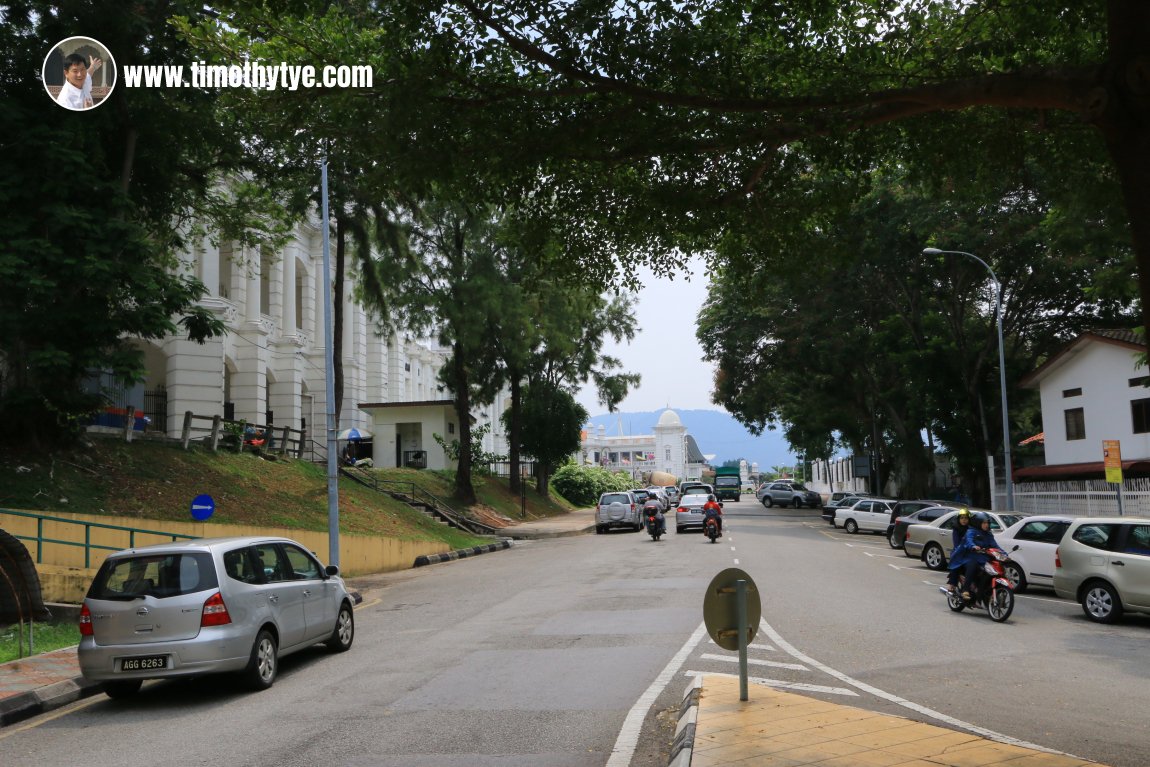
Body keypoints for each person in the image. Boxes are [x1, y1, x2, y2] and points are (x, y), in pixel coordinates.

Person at [949, 512, 1004, 600]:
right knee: (973, 565)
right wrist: (973, 546)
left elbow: (995, 546)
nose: (986, 525)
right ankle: (965, 590)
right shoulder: (971, 531)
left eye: (988, 523)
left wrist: (1004, 554)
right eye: (984, 523)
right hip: (969, 557)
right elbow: (969, 541)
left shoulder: (988, 534)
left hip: (983, 558)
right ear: (978, 523)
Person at [944, 508, 971, 593]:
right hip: (958, 551)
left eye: (966, 518)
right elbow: (956, 543)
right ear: (958, 519)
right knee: (956, 564)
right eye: (962, 518)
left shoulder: (971, 529)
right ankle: (952, 583)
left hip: (970, 552)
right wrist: (961, 548)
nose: (964, 520)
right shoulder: (956, 529)